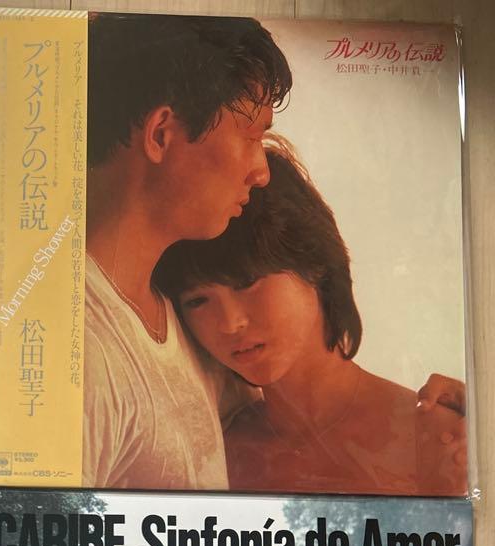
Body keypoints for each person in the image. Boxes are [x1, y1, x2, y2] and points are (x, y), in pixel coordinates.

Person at [154, 144, 467, 495]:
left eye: (247, 282)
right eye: (197, 301)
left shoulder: (440, 441)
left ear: (314, 263)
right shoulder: (212, 452)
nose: (229, 323)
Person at [82, 14, 292, 489]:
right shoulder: (77, 355)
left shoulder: (183, 317)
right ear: (161, 134)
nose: (261, 172)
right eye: (251, 137)